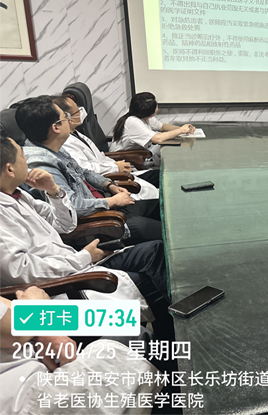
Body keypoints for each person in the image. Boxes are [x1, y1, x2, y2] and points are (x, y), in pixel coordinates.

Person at [0, 132, 174, 341]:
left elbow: (65, 225)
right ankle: (172, 347)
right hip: (60, 288)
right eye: (22, 156)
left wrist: (53, 191)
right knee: (148, 290)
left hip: (73, 265)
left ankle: (176, 334)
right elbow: (22, 271)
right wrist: (84, 257)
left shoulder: (18, 196)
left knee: (154, 251)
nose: (26, 160)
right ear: (10, 169)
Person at [15, 96, 162, 245]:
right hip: (100, 222)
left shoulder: (52, 147)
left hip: (103, 204)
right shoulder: (41, 164)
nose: (70, 121)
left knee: (162, 207)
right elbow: (71, 206)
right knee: (165, 232)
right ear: (56, 127)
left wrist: (108, 185)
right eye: (66, 117)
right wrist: (111, 201)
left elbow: (83, 172)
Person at [1, 287, 162, 414]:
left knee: (122, 315)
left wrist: (39, 325)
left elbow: (16, 315)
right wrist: (39, 311)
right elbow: (14, 328)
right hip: (27, 396)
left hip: (32, 345)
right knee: (134, 334)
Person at [54, 95, 159, 200]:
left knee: (159, 178)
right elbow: (85, 170)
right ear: (68, 119)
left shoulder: (75, 134)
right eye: (77, 110)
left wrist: (118, 165)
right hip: (111, 180)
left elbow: (98, 157)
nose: (81, 111)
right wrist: (115, 167)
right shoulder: (64, 143)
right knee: (157, 192)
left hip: (115, 173)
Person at [110, 92, 195, 168]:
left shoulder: (141, 114)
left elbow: (162, 127)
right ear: (152, 113)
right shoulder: (133, 122)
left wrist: (185, 129)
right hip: (126, 162)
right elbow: (158, 138)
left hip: (137, 155)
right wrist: (180, 130)